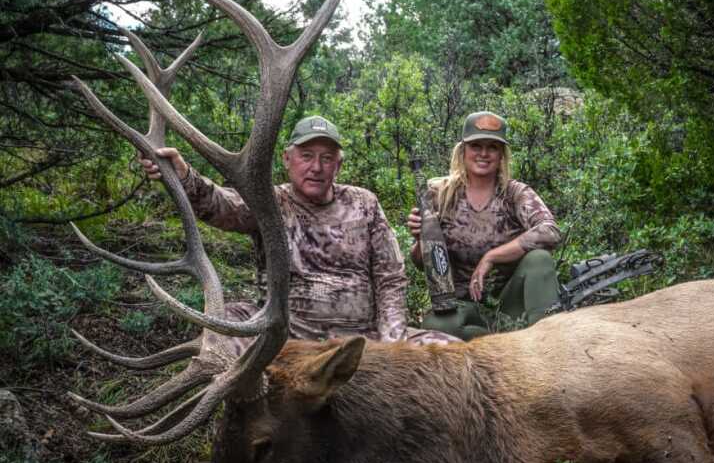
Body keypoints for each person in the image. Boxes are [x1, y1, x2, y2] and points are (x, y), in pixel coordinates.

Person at [141, 115, 456, 345]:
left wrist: (391, 341)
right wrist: (184, 176)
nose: (316, 167)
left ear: (338, 165)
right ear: (287, 159)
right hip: (287, 341)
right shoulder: (270, 202)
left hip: (363, 341)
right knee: (224, 330)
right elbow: (220, 205)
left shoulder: (365, 203)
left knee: (452, 356)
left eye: (326, 158)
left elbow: (390, 277)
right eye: (306, 156)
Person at [406, 111, 562, 340]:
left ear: (501, 155)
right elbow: (421, 263)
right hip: (459, 303)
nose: (484, 154)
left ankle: (547, 343)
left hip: (509, 301)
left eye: (493, 147)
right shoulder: (439, 193)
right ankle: (496, 341)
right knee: (437, 328)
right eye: (476, 145)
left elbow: (549, 231)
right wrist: (421, 237)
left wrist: (491, 257)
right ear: (463, 151)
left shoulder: (514, 193)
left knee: (539, 259)